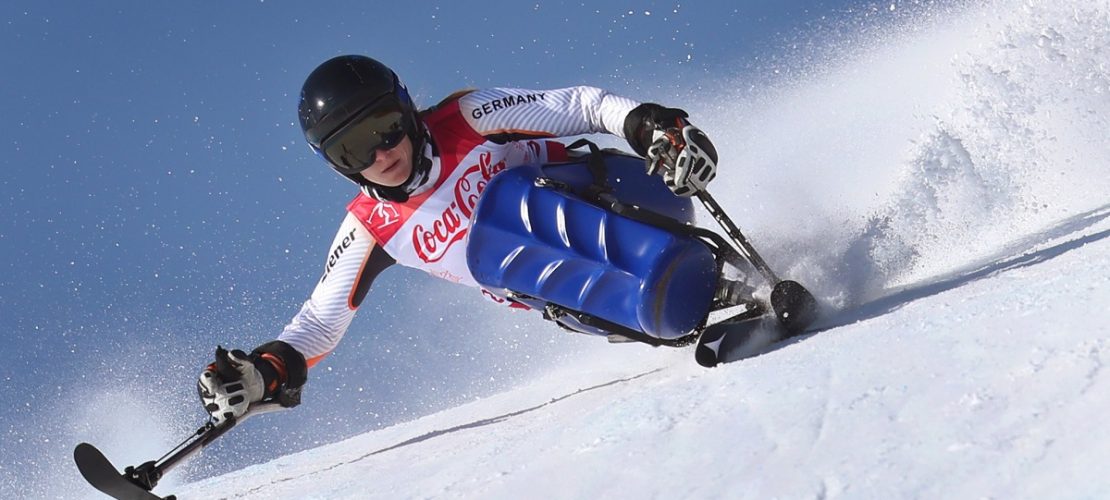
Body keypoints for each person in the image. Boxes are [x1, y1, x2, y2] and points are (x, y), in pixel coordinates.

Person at [197, 55, 719, 424]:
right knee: (493, 253)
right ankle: (694, 299)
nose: (381, 154)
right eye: (354, 149)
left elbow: (578, 106)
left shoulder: (466, 119)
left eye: (383, 126)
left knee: (502, 210)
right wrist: (264, 373)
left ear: (404, 109)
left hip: (638, 199)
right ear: (338, 166)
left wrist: (651, 126)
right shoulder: (372, 226)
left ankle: (673, 277)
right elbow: (319, 320)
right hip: (595, 295)